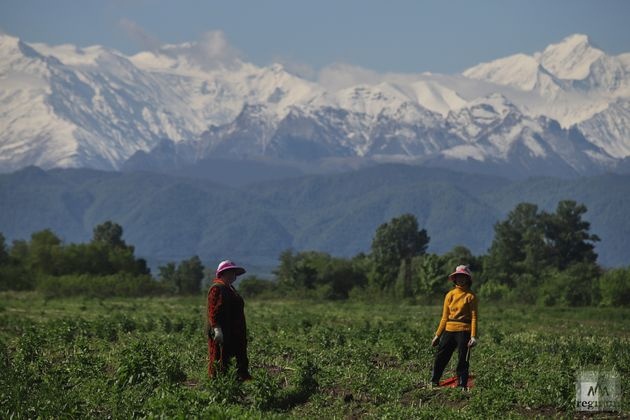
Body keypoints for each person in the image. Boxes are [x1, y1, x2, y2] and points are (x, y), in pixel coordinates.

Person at [430, 265, 478, 390]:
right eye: (458, 277)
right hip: (449, 330)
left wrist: (473, 336)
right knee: (441, 356)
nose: (461, 279)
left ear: (468, 279)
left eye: (463, 277)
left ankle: (462, 385)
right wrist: (437, 335)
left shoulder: (470, 296)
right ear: (454, 279)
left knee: (463, 358)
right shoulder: (450, 295)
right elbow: (444, 317)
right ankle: (434, 381)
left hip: (464, 331)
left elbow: (473, 317)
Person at [207, 259, 252, 381]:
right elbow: (213, 310)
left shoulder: (230, 288)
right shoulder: (217, 288)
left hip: (235, 332)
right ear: (222, 274)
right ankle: (219, 384)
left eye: (234, 273)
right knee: (221, 358)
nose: (233, 275)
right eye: (230, 272)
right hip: (224, 331)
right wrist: (217, 329)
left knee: (238, 357)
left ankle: (239, 380)